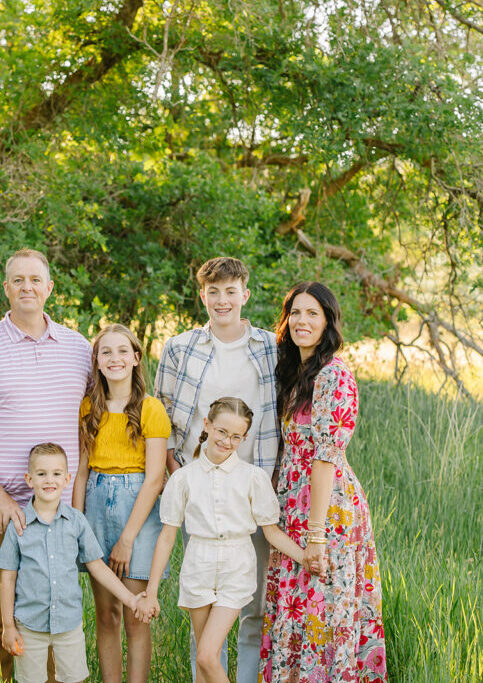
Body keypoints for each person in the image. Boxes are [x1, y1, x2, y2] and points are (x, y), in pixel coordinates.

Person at [0, 248, 92, 683]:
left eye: (35, 280)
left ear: (49, 288)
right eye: (17, 280)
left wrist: (77, 499)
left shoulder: (79, 348)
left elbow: (92, 422)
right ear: (6, 289)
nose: (27, 287)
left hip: (59, 508)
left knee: (51, 610)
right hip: (0, 505)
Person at [155, 256, 279, 681]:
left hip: (253, 489)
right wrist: (177, 471)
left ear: (245, 294)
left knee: (254, 607)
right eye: (213, 291)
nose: (222, 300)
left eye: (231, 291)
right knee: (204, 611)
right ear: (202, 295)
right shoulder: (179, 348)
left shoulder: (270, 348)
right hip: (200, 492)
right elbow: (164, 417)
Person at [258, 282, 387, 683]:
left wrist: (315, 534)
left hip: (325, 509)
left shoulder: (333, 374)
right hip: (292, 505)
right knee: (297, 609)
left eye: (313, 313)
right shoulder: (297, 374)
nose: (302, 321)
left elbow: (325, 457)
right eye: (296, 312)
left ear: (328, 321)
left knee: (322, 609)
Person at [136, 397, 306, 683]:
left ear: (244, 437)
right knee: (205, 663)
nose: (227, 441)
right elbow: (167, 537)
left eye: (236, 436)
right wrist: (151, 591)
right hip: (198, 566)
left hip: (236, 566)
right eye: (222, 432)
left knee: (206, 655)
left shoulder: (252, 478)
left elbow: (271, 531)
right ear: (207, 425)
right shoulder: (183, 479)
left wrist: (305, 557)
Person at [72, 324, 170, 683]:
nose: (115, 358)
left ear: (136, 358)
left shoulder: (150, 409)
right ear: (96, 362)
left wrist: (128, 537)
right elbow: (81, 473)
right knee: (107, 613)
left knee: (135, 613)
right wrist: (77, 525)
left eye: (122, 351)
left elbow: (156, 477)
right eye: (106, 352)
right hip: (96, 507)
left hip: (137, 510)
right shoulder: (88, 408)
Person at [0, 442, 141, 683]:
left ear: (67, 479)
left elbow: (97, 566)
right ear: (29, 479)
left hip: (68, 624)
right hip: (29, 625)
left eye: (56, 474)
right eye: (41, 474)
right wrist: (8, 626)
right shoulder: (19, 525)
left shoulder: (76, 522)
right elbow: (7, 577)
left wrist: (130, 599)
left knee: (72, 679)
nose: (49, 480)